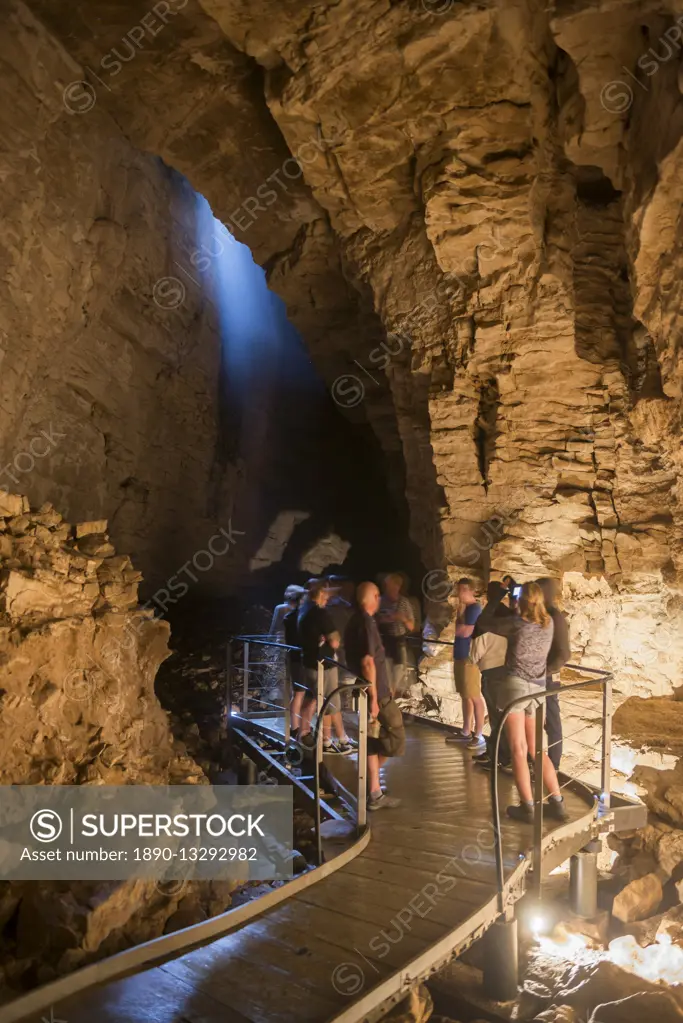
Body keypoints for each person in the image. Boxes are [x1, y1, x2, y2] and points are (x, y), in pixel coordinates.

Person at [478, 581, 567, 823]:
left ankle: (527, 807)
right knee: (538, 749)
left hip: (516, 687)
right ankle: (557, 803)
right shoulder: (548, 623)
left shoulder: (517, 624)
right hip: (538, 690)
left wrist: (497, 598)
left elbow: (483, 623)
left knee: (518, 749)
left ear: (521, 601)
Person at [345, 582, 404, 810]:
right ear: (374, 597)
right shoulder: (367, 622)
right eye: (378, 596)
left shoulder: (355, 620)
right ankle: (372, 786)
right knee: (396, 735)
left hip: (362, 689)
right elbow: (368, 662)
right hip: (375, 692)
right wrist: (374, 697)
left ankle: (373, 790)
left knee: (370, 740)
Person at [297, 579, 353, 755]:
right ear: (320, 594)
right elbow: (335, 642)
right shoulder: (320, 613)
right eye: (326, 596)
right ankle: (338, 740)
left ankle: (330, 740)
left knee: (322, 701)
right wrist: (331, 639)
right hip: (324, 664)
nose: (328, 599)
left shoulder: (303, 610)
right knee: (330, 702)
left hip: (309, 662)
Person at [469, 581, 513, 771]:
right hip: (511, 673)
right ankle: (505, 756)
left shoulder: (486, 621)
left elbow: (473, 654)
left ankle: (501, 757)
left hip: (492, 675)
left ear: (488, 597)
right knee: (508, 717)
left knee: (497, 719)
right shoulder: (511, 618)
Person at [446, 578, 486, 753]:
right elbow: (460, 631)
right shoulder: (463, 610)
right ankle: (466, 730)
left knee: (474, 695)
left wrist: (461, 628)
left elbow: (464, 632)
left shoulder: (474, 609)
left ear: (470, 590)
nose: (459, 593)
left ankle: (479, 734)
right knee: (465, 695)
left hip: (470, 658)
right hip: (460, 655)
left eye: (462, 590)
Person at [536, 577, 571, 771]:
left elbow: (564, 653)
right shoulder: (545, 614)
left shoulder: (554, 616)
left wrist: (545, 671)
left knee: (552, 722)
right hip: (539, 676)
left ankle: (553, 765)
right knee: (538, 721)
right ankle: (540, 763)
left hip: (547, 678)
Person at [377, 573, 415, 697]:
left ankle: (391, 700)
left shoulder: (404, 602)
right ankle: (387, 700)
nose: (386, 586)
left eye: (389, 584)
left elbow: (411, 626)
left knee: (398, 673)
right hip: (384, 641)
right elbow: (374, 619)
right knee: (386, 675)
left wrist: (402, 618)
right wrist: (384, 619)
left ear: (397, 586)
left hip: (399, 642)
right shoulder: (381, 601)